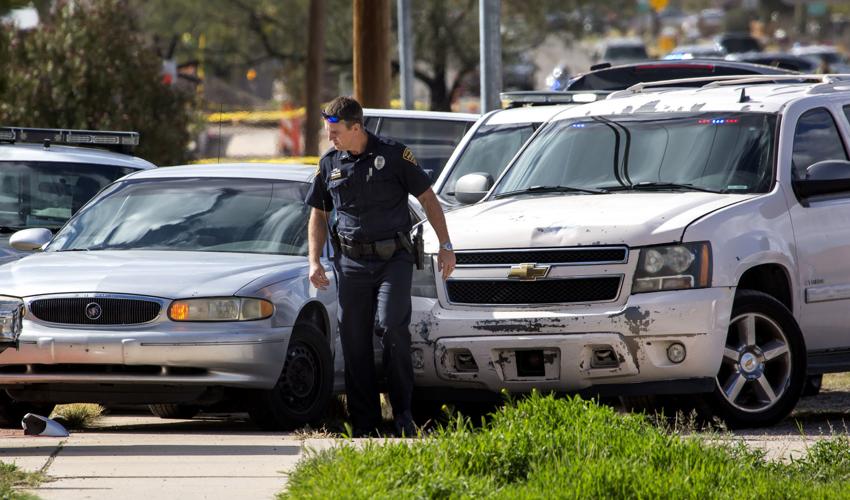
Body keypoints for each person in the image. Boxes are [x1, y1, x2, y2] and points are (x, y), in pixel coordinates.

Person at [305, 96, 455, 437]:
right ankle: (365, 422)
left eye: (337, 132)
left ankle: (403, 414)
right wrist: (315, 260)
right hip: (352, 262)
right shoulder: (329, 163)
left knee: (392, 329)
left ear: (356, 127)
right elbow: (319, 213)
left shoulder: (394, 154)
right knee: (354, 341)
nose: (332, 139)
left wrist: (445, 246)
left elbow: (428, 199)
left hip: (393, 261)